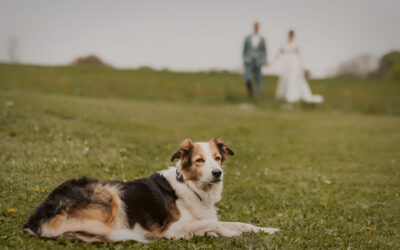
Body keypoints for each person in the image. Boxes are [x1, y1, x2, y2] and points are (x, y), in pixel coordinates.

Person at [269, 30, 323, 103]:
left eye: (291, 35)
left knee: (293, 78)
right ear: (288, 35)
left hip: (294, 63)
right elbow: (278, 54)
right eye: (289, 34)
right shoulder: (284, 44)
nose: (290, 36)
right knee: (285, 78)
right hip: (286, 64)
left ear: (293, 35)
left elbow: (299, 56)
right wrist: (271, 62)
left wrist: (303, 67)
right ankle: (284, 95)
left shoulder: (296, 44)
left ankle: (292, 96)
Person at [242, 22, 267, 97]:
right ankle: (250, 91)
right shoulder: (247, 38)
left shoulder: (262, 39)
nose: (256, 28)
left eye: (257, 27)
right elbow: (244, 50)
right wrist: (244, 59)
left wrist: (264, 60)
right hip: (248, 61)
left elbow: (264, 51)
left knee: (258, 79)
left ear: (258, 27)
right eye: (255, 27)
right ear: (253, 27)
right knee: (247, 77)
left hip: (258, 61)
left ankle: (258, 96)